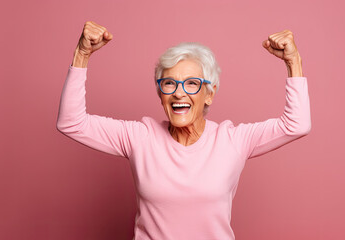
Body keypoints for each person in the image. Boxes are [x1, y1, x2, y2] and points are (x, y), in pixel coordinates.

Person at [56, 21, 311, 240]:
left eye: (192, 84)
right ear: (160, 93)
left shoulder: (232, 140)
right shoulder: (140, 137)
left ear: (209, 94)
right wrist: (81, 55)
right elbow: (72, 122)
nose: (179, 92)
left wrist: (293, 62)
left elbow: (296, 124)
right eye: (169, 83)